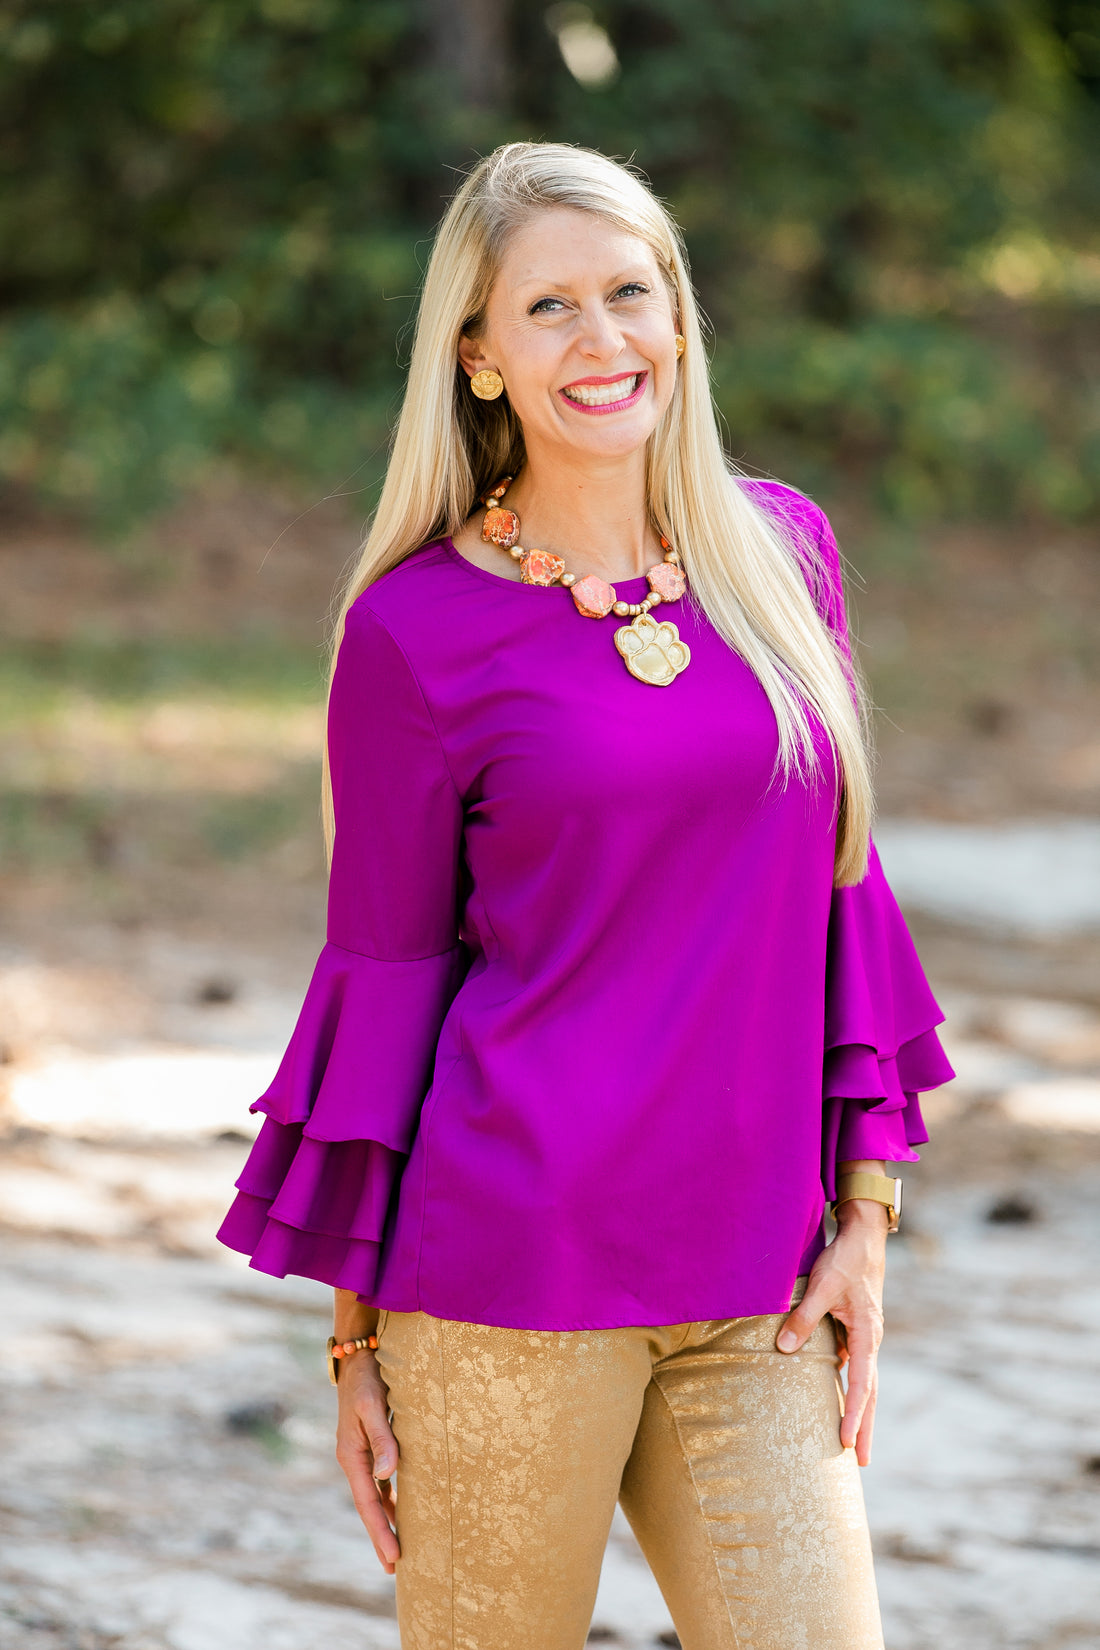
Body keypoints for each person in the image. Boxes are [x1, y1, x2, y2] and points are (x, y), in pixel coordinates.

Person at [217, 141, 955, 1650]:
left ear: (679, 317)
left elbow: (839, 892)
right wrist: (356, 1339)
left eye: (631, 292)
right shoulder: (414, 629)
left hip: (762, 1280)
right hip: (506, 1275)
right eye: (548, 309)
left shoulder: (781, 555)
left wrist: (866, 1208)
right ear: (478, 358)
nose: (603, 339)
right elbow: (388, 977)